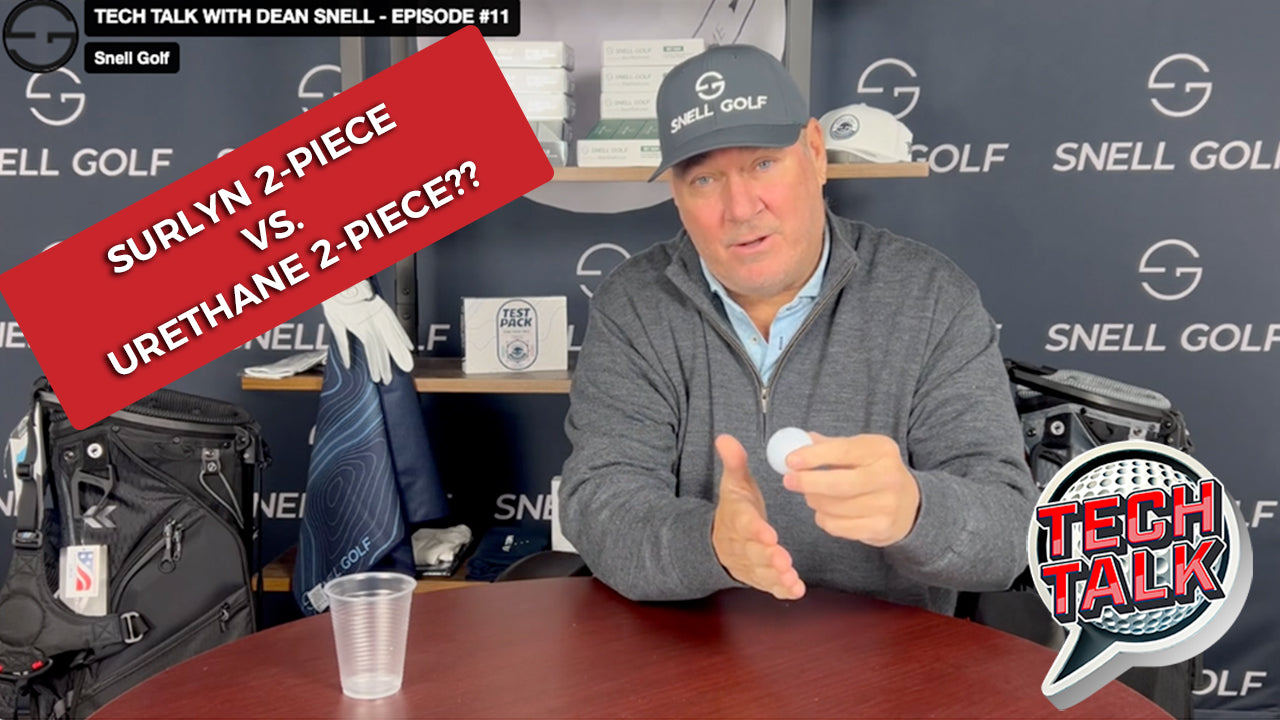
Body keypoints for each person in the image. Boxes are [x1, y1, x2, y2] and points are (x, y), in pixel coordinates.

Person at [557, 44, 1037, 616]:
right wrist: (712, 544)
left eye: (763, 164)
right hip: (690, 649)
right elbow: (602, 501)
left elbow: (1009, 531)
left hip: (889, 654)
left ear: (814, 152)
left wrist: (915, 510)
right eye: (704, 179)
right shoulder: (634, 304)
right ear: (676, 195)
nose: (740, 207)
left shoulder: (931, 297)